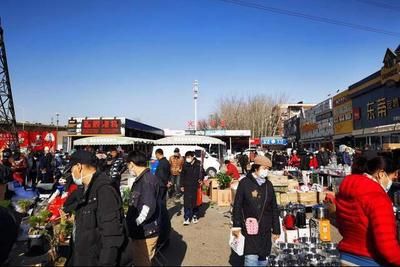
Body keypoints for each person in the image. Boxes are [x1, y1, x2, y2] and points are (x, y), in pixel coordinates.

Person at [336, 156, 400, 266]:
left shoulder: (346, 191)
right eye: (392, 179)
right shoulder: (378, 197)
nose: (391, 183)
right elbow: (387, 247)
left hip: (344, 257)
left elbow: (342, 228)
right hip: (370, 260)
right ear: (381, 174)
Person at [69, 150, 126, 266]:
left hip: (95, 259)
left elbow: (111, 234)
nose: (71, 173)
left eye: (71, 169)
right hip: (83, 256)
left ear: (79, 167)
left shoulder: (104, 190)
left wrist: (106, 263)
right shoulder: (86, 188)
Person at [232, 155, 281, 267]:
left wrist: (276, 229)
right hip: (250, 229)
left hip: (265, 230)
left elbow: (274, 208)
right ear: (256, 168)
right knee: (251, 260)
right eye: (264, 168)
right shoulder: (244, 183)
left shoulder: (268, 185)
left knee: (263, 260)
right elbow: (237, 206)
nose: (266, 171)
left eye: (268, 169)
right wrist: (236, 225)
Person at [126, 151, 162, 267]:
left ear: (132, 164)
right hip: (143, 230)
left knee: (142, 262)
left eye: (128, 165)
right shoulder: (144, 179)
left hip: (145, 232)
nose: (128, 168)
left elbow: (147, 208)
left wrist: (134, 223)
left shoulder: (146, 181)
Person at [180, 151, 205, 225]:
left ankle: (195, 216)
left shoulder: (198, 164)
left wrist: (201, 179)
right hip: (187, 186)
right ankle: (186, 217)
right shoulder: (184, 165)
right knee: (187, 203)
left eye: (189, 157)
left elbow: (203, 173)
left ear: (193, 157)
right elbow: (182, 176)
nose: (188, 158)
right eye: (187, 157)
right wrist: (181, 185)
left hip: (195, 186)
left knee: (195, 202)